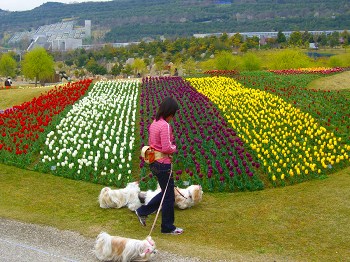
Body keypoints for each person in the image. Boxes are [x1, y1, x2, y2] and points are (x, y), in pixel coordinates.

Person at [135, 97, 183, 235]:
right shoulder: (165, 126)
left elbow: (153, 143)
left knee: (165, 193)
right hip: (163, 165)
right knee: (169, 196)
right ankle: (167, 227)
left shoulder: (154, 123)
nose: (173, 117)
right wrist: (174, 148)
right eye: (173, 113)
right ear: (170, 112)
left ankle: (142, 211)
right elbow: (167, 147)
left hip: (154, 162)